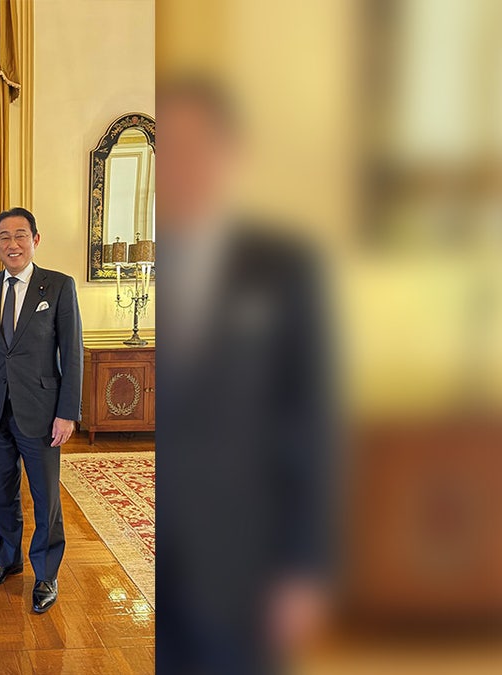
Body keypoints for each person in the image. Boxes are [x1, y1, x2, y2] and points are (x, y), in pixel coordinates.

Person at [155, 77, 334, 673]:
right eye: (169, 148)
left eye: (197, 144)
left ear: (232, 154)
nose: (183, 163)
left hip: (242, 559)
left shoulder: (286, 266)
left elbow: (313, 421)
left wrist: (306, 567)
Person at [0, 207, 83, 615]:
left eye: (20, 235)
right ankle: (6, 560)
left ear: (36, 239)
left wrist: (67, 412)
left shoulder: (58, 286)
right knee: (1, 494)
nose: (12, 243)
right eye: (4, 237)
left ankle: (47, 573)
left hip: (42, 412)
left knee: (45, 496)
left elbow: (71, 354)